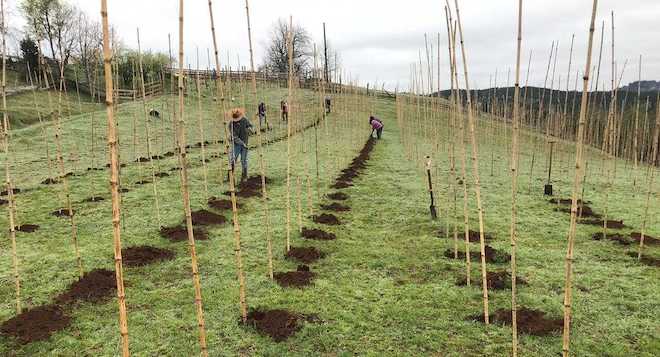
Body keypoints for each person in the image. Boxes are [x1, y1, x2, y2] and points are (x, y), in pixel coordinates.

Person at [229, 108, 254, 182]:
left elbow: (251, 127)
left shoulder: (244, 120)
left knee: (244, 160)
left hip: (245, 142)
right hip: (236, 144)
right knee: (233, 159)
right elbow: (234, 137)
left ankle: (244, 175)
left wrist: (250, 129)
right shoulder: (231, 124)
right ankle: (230, 175)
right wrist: (242, 143)